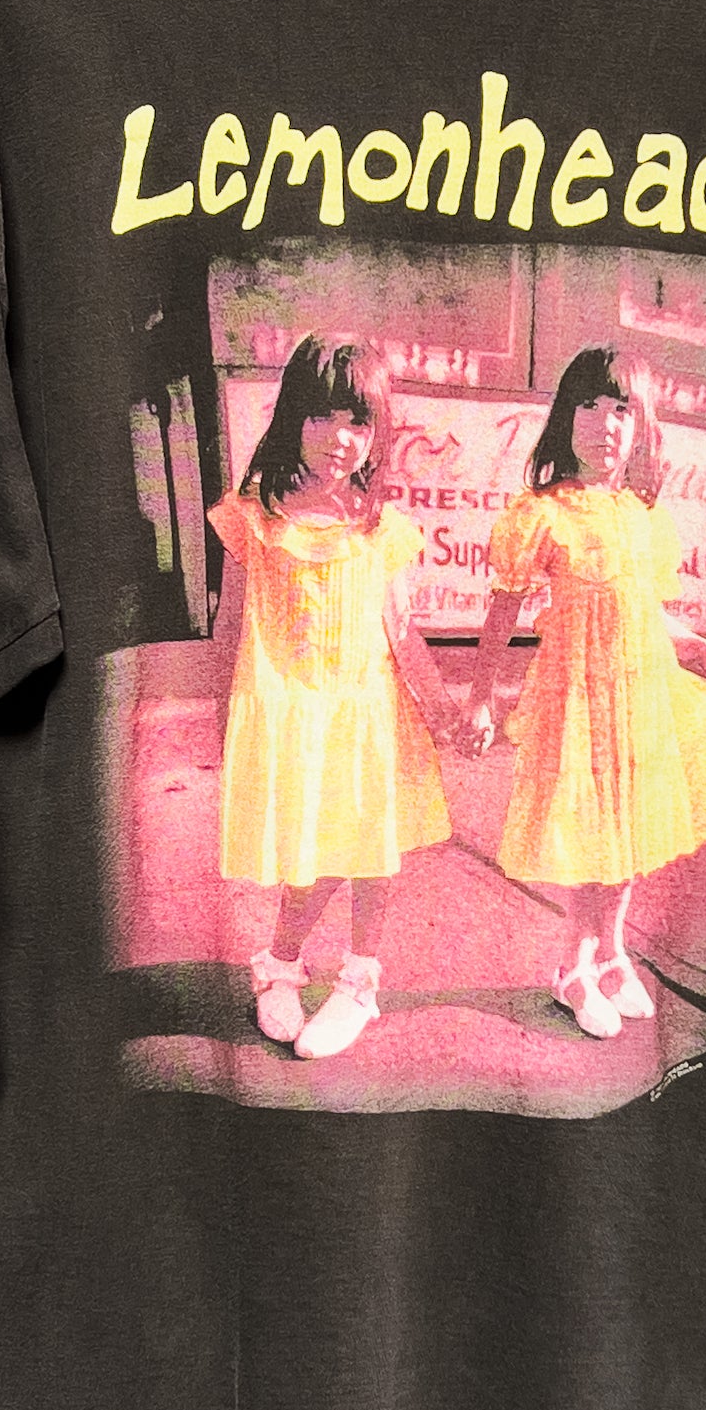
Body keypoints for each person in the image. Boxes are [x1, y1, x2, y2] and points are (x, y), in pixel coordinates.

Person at [456, 346, 706, 1038]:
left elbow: (646, 611)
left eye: (622, 408)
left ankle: (613, 951)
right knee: (592, 832)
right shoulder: (543, 514)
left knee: (633, 828)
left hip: (641, 694)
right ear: (565, 419)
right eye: (589, 406)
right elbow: (503, 612)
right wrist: (481, 696)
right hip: (578, 699)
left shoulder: (643, 515)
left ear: (642, 424)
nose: (605, 423)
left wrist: (698, 646)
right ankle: (573, 966)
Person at [208, 333, 456, 1059]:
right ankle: (281, 965)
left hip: (370, 715)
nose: (340, 438)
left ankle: (358, 984)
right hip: (292, 713)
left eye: (358, 421)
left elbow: (403, 632)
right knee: (313, 855)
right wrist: (225, 720)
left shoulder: (378, 524)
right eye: (322, 416)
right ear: (293, 416)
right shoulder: (256, 514)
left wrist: (443, 710)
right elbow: (229, 625)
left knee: (371, 851)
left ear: (378, 431)